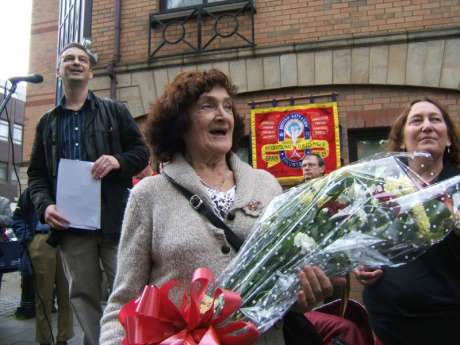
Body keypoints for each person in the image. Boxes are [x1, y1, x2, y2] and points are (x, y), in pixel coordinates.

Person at [99, 69, 337, 345]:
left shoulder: (267, 185)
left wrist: (302, 295)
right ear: (180, 121)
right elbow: (123, 302)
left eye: (227, 106)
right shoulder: (148, 195)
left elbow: (284, 284)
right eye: (207, 105)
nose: (223, 114)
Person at [27, 42, 149, 345]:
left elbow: (141, 153)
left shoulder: (115, 112)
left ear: (90, 71)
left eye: (82, 59)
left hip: (115, 222)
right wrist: (45, 206)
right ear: (59, 71)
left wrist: (117, 160)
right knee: (82, 295)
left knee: (128, 290)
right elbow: (36, 176)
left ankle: (130, 340)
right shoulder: (47, 123)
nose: (76, 62)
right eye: (69, 59)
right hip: (71, 226)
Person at [353, 98, 460, 345]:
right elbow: (361, 246)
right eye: (416, 120)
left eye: (435, 119)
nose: (426, 126)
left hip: (450, 328)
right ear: (402, 139)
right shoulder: (379, 188)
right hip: (388, 327)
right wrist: (360, 266)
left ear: (449, 138)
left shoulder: (457, 186)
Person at [13, 188, 73, 345]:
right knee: (43, 296)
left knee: (66, 294)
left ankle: (63, 338)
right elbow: (18, 218)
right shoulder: (31, 190)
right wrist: (28, 240)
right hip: (41, 240)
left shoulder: (66, 185)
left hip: (66, 241)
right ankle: (44, 340)